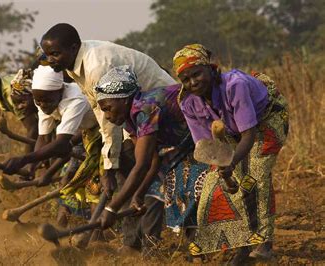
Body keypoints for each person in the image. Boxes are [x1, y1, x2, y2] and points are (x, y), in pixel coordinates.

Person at [173, 44, 289, 264]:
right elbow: (206, 145)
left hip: (265, 121)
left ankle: (263, 242)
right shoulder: (188, 102)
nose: (193, 82)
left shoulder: (235, 86)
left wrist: (233, 162)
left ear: (211, 68)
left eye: (197, 74)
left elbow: (249, 134)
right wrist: (224, 171)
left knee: (255, 175)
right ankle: (241, 245)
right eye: (186, 79)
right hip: (230, 129)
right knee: (212, 187)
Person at [40, 23, 177, 196]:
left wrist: (109, 166)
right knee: (132, 165)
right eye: (48, 54)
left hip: (162, 109)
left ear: (73, 48)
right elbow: (101, 110)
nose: (50, 60)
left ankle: (140, 208)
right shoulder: (75, 64)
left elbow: (109, 118)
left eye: (55, 54)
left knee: (131, 162)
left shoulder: (97, 66)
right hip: (135, 116)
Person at [94, 66, 209, 255]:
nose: (107, 115)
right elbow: (152, 160)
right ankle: (189, 249)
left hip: (204, 133)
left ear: (123, 100)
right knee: (159, 189)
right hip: (180, 146)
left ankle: (199, 250)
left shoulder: (145, 108)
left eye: (108, 108)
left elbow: (141, 166)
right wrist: (138, 195)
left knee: (185, 191)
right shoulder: (130, 119)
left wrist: (112, 208)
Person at [2, 65, 106, 225]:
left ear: (60, 91)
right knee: (76, 180)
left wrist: (24, 159)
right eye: (38, 101)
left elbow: (60, 145)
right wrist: (32, 167)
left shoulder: (74, 100)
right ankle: (72, 229)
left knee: (96, 184)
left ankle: (97, 234)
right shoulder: (43, 100)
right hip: (86, 133)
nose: (42, 105)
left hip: (106, 130)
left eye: (46, 100)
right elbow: (43, 138)